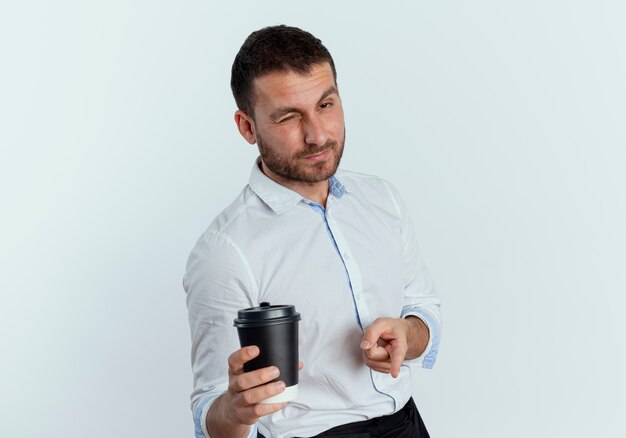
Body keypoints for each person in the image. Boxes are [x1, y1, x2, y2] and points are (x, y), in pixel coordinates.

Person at [184, 25, 441, 438]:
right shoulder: (224, 252)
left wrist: (409, 335)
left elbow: (425, 308)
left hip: (407, 425)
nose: (318, 134)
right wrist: (234, 411)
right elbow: (209, 412)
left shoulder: (382, 199)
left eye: (325, 105)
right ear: (247, 127)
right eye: (289, 116)